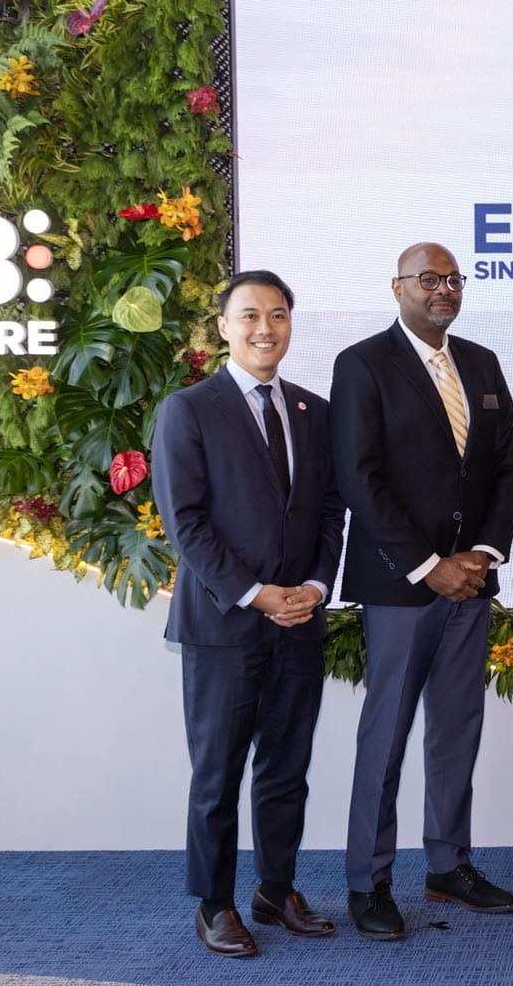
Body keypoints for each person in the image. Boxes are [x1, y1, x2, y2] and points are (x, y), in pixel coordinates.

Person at [332, 242, 513, 940]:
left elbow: (507, 467)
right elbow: (359, 477)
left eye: (452, 279)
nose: (443, 289)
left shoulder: (482, 363)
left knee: (456, 731)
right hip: (401, 588)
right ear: (398, 288)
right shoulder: (362, 364)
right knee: (385, 737)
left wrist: (482, 554)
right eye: (427, 279)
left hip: (471, 586)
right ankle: (369, 882)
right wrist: (426, 564)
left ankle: (449, 865)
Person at [151, 270, 345, 958]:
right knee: (218, 774)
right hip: (224, 625)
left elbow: (330, 511)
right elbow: (186, 523)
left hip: (299, 621)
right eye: (251, 315)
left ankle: (276, 889)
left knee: (287, 769)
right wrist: (255, 593)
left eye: (279, 315)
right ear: (224, 327)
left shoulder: (314, 411)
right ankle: (214, 903)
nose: (266, 328)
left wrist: (315, 586)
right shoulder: (188, 409)